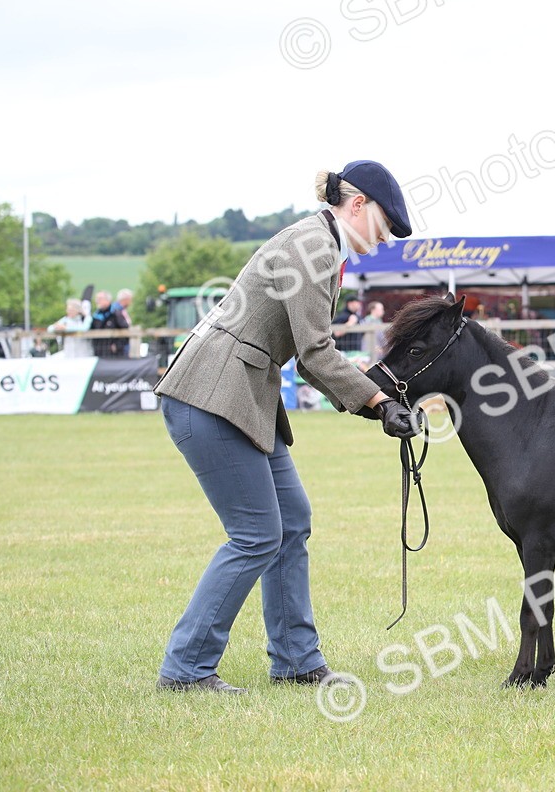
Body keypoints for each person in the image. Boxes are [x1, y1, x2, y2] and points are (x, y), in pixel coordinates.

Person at [152, 160, 419, 694]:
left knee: (291, 520)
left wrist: (374, 396)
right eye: (384, 226)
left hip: (239, 395)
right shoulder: (313, 247)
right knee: (255, 536)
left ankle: (296, 660)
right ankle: (186, 669)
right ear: (357, 204)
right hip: (214, 396)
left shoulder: (321, 242)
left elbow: (307, 352)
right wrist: (374, 400)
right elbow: (315, 353)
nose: (385, 239)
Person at [90, 290, 131, 357]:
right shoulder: (96, 315)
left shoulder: (115, 313)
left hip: (114, 354)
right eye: (97, 299)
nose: (97, 301)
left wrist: (117, 346)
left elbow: (125, 329)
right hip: (98, 351)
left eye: (100, 299)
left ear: (107, 300)